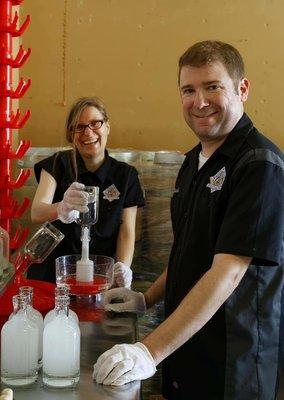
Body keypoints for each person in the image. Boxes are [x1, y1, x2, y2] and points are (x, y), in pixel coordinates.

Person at [93, 41, 284, 399]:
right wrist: (145, 299)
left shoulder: (259, 164)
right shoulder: (192, 163)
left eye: (213, 86)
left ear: (242, 88)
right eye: (188, 90)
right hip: (187, 347)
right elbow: (186, 251)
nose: (199, 101)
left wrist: (148, 351)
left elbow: (227, 272)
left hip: (235, 362)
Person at [27, 96, 144, 286]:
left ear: (107, 126)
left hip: (101, 276)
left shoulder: (126, 176)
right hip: (55, 275)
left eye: (95, 123)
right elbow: (37, 212)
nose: (88, 132)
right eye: (79, 127)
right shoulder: (58, 164)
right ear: (71, 134)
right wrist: (61, 208)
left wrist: (122, 269)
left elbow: (126, 232)